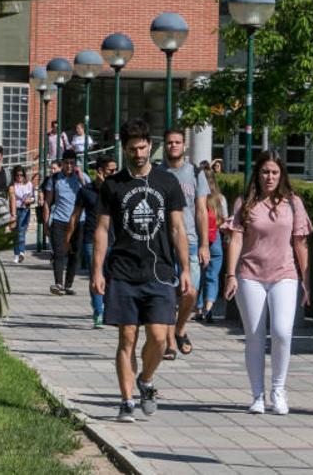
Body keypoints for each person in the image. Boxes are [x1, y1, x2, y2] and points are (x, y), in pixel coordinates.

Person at [91, 118, 193, 423]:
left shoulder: (166, 182)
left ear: (150, 145)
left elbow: (177, 228)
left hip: (160, 272)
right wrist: (97, 270)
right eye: (132, 149)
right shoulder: (113, 185)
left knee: (161, 339)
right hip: (123, 271)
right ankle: (126, 402)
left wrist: (185, 268)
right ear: (124, 149)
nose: (138, 153)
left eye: (143, 147)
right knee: (127, 337)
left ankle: (146, 381)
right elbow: (102, 229)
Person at [221, 150, 312, 415]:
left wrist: (307, 280)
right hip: (250, 275)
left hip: (284, 274)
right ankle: (258, 395)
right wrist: (230, 275)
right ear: (257, 174)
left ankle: (279, 389)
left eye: (274, 172)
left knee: (283, 332)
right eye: (264, 172)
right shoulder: (245, 202)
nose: (269, 177)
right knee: (255, 336)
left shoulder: (293, 203)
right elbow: (236, 238)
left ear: (281, 174)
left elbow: (300, 243)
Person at [157, 129, 210, 360]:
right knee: (168, 295)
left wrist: (204, 244)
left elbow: (201, 211)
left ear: (184, 146)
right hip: (163, 243)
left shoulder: (195, 173)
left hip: (189, 241)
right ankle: (169, 342)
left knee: (190, 292)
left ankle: (179, 328)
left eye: (177, 142)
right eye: (170, 143)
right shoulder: (157, 172)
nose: (173, 146)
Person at [69, 154, 118, 328]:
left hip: (114, 239)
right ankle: (98, 310)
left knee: (111, 277)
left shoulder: (116, 189)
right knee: (96, 274)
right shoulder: (86, 191)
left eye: (115, 170)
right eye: (110, 170)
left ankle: (108, 308)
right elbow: (75, 216)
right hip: (91, 240)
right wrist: (68, 238)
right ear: (100, 172)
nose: (114, 173)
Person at [44, 150, 89, 295]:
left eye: (72, 163)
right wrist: (45, 223)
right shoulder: (55, 179)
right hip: (59, 220)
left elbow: (91, 194)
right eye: (66, 163)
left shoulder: (83, 178)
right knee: (59, 253)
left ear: (76, 163)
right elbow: (47, 202)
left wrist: (81, 178)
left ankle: (68, 284)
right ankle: (58, 284)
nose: (69, 166)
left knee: (74, 254)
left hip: (78, 221)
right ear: (62, 163)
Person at [193, 168, 228, 324]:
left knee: (199, 274)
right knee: (212, 276)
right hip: (216, 240)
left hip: (199, 239)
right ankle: (209, 307)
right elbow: (224, 220)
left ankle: (199, 308)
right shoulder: (220, 199)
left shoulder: (196, 198)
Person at [9, 165, 36, 264]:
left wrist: (30, 200)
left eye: (21, 175)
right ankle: (16, 253)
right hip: (15, 210)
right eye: (17, 175)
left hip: (25, 210)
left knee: (21, 231)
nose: (19, 177)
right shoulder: (12, 185)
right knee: (15, 233)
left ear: (24, 175)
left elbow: (34, 198)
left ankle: (21, 252)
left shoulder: (28, 184)